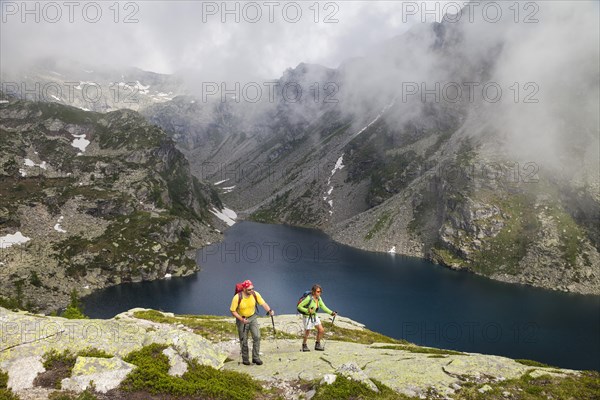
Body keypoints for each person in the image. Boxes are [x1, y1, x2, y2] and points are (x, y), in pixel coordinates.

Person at [230, 279, 274, 365]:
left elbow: (263, 303)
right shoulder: (237, 298)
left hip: (252, 317)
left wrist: (269, 310)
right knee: (244, 340)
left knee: (257, 336)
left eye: (252, 288)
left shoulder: (255, 294)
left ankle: (256, 358)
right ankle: (245, 359)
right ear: (244, 289)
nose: (251, 290)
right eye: (249, 289)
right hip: (242, 320)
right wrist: (241, 319)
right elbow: (233, 311)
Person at [297, 284, 337, 351]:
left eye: (320, 291)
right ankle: (304, 345)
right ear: (313, 292)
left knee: (321, 330)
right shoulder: (308, 298)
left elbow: (323, 307)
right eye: (318, 291)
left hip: (314, 316)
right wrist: (307, 310)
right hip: (307, 317)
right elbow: (299, 307)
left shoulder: (319, 299)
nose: (319, 293)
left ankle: (317, 345)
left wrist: (331, 313)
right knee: (307, 331)